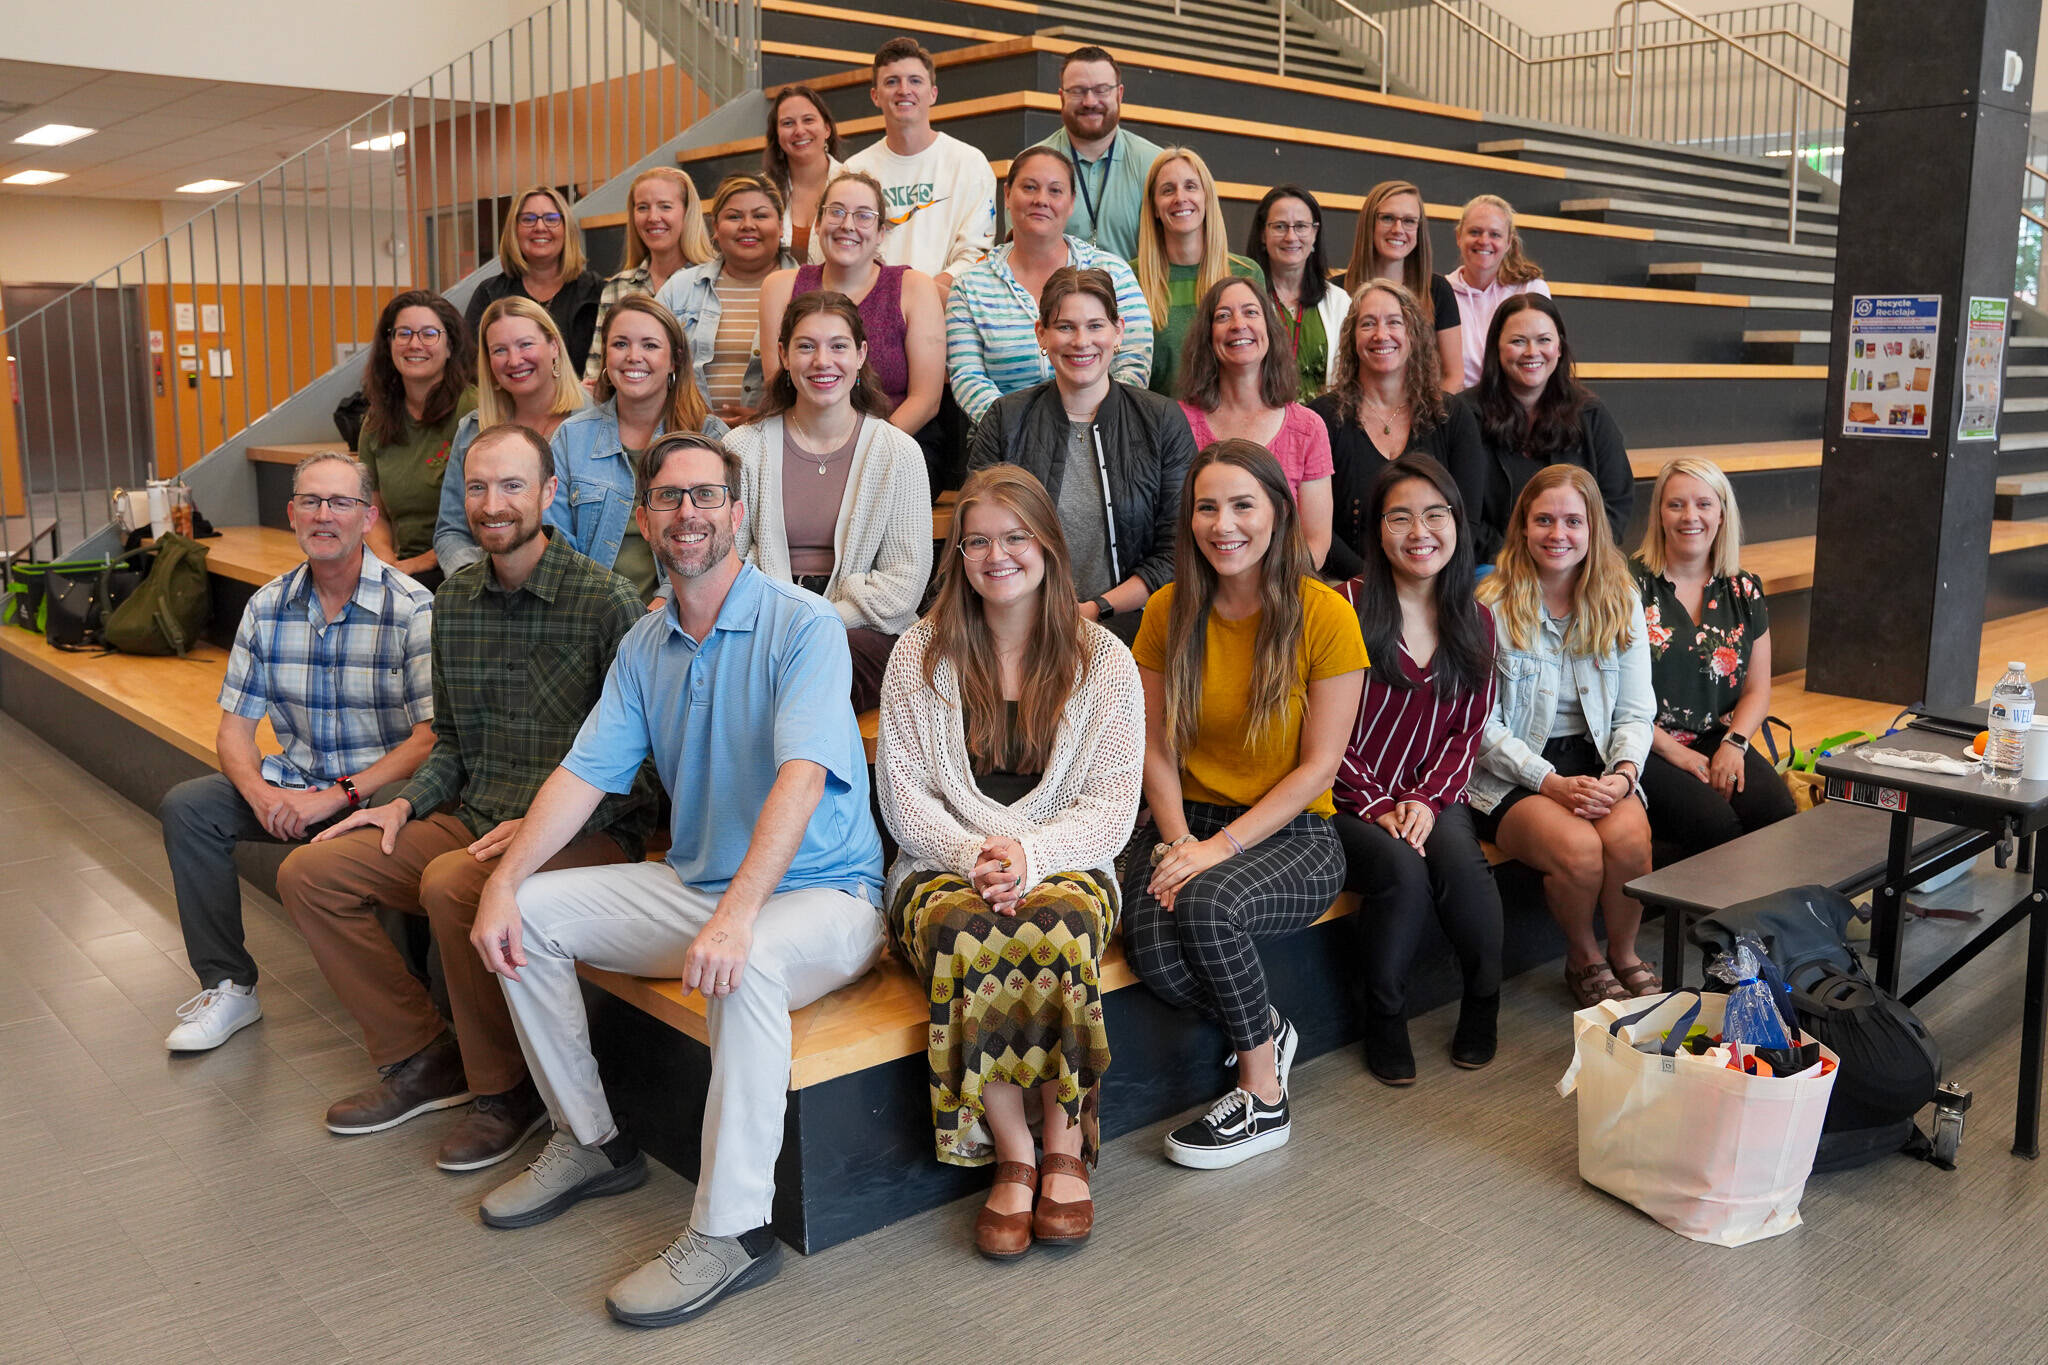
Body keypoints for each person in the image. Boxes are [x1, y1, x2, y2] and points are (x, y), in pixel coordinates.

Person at [469, 430, 886, 1328]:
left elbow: (802, 776)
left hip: (825, 897)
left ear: (737, 515)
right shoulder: (645, 642)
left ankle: (732, 1233)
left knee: (751, 963)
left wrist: (737, 917)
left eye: (705, 497)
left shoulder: (801, 624)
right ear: (645, 516)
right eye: (669, 498)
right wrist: (504, 879)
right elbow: (582, 777)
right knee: (528, 913)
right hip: (699, 887)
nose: (688, 514)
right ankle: (590, 1138)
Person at [274, 425, 654, 1170]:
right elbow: (448, 741)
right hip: (475, 815)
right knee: (312, 874)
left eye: (512, 485)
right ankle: (424, 1055)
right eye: (478, 487)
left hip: (589, 830)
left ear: (548, 495)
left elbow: (644, 768)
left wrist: (538, 826)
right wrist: (404, 803)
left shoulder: (605, 602)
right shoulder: (455, 603)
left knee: (452, 886)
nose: (493, 502)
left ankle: (505, 1090)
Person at [874, 464, 1144, 1259]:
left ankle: (1063, 1140)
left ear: (1049, 547)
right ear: (956, 553)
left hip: (1072, 859)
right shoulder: (918, 654)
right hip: (938, 864)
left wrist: (1030, 855)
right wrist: (976, 856)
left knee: (1059, 927)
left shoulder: (1104, 660)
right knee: (967, 934)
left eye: (1015, 537)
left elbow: (1111, 805)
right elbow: (904, 797)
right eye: (977, 540)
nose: (997, 555)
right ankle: (1014, 1155)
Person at [1124, 440, 1366, 1169]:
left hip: (1293, 829)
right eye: (1206, 506)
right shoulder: (1169, 610)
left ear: (1277, 515)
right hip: (1184, 818)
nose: (1222, 523)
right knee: (1152, 946)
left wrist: (1214, 852)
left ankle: (1263, 1095)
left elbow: (1319, 765)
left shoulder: (1325, 615)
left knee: (1206, 905)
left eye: (1242, 505)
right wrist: (1176, 844)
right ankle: (1265, 1026)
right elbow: (1155, 748)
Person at [157, 453, 434, 1052]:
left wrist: (337, 797)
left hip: (376, 794)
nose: (324, 515)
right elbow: (234, 733)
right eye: (311, 501)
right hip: (294, 785)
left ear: (369, 516)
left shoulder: (411, 609)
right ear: (291, 514)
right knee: (189, 807)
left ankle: (410, 1008)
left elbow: (429, 739)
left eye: (340, 503)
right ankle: (228, 985)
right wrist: (261, 793)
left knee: (382, 827)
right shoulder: (267, 606)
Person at [1332, 454, 1501, 1085]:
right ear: (1376, 531)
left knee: (1463, 864)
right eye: (1399, 517)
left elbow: (1468, 732)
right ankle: (1386, 1017)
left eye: (1435, 514)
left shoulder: (1478, 619)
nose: (1419, 531)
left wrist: (1427, 801)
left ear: (1457, 523)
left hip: (1431, 795)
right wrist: (1378, 803)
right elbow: (1320, 732)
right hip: (1345, 798)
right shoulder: (1341, 608)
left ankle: (1484, 1001)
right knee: (1401, 870)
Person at [1471, 464, 1657, 1008]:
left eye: (1573, 521)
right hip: (1510, 767)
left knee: (1627, 840)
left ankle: (1624, 953)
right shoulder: (1491, 603)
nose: (1559, 534)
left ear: (1593, 528)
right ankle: (1584, 957)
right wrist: (1548, 782)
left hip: (1597, 759)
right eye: (1544, 520)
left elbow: (1636, 710)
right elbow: (1480, 726)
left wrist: (1623, 777)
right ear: (1523, 529)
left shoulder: (1619, 598)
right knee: (1579, 851)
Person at [967, 266, 1196, 645]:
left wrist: (1093, 610)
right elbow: (979, 536)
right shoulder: (1006, 418)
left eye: (1095, 326)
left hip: (1134, 622)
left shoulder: (1162, 419)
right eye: (1065, 327)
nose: (1081, 341)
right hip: (1020, 618)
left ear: (1118, 331)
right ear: (1042, 334)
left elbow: (1176, 550)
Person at [728, 291, 933, 710]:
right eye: (806, 346)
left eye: (838, 346)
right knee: (746, 659)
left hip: (862, 633)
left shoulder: (898, 452)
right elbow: (728, 561)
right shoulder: (742, 448)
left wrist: (819, 620)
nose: (823, 361)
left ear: (860, 355)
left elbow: (903, 583)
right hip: (763, 625)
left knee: (823, 660)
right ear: (784, 355)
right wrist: (782, 619)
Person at [1632, 458, 1795, 855]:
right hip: (1645, 744)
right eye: (1676, 505)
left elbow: (1757, 689)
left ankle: (1756, 917)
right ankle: (1705, 917)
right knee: (1716, 826)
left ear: (1722, 513)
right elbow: (1612, 701)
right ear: (1659, 514)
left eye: (1704, 504)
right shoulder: (1626, 586)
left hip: (1717, 738)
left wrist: (1734, 744)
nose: (1691, 516)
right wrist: (1680, 755)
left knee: (1777, 811)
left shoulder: (1744, 589)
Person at [945, 146, 1152, 424]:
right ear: (1007, 194)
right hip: (1005, 444)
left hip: (1106, 431)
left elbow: (1134, 361)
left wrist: (1089, 424)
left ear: (1071, 202)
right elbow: (968, 377)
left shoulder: (1114, 273)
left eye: (1055, 191)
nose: (1041, 200)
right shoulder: (969, 287)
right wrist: (1020, 430)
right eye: (1029, 187)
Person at [551, 295, 730, 601]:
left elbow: (726, 540)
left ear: (674, 359)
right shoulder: (572, 437)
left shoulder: (710, 436)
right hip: (589, 611)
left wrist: (665, 600)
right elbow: (554, 541)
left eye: (649, 345)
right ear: (605, 354)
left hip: (686, 610)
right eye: (620, 344)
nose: (634, 356)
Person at [1312, 281, 1486, 580]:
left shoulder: (1454, 417)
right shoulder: (1321, 419)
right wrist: (1374, 586)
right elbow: (1316, 530)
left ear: (1414, 335)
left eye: (1395, 322)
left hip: (1435, 583)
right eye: (1368, 324)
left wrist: (1423, 584)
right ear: (1351, 338)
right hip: (1348, 588)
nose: (1382, 335)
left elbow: (1466, 522)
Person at [759, 168, 944, 445]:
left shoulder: (914, 287)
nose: (848, 225)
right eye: (836, 212)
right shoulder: (779, 287)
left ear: (881, 232)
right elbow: (778, 389)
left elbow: (926, 400)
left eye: (864, 216)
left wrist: (860, 451)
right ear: (818, 224)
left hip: (895, 440)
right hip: (802, 440)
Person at [1176, 275, 1333, 567]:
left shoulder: (1309, 427)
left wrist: (1257, 593)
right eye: (1223, 316)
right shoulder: (1176, 423)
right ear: (1207, 336)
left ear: (1270, 330)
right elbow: (1171, 535)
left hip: (1281, 596)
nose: (1238, 324)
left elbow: (1316, 543)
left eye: (1251, 312)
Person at [1465, 293, 1632, 566]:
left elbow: (1617, 502)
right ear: (1497, 348)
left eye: (1544, 340)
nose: (1532, 352)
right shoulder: (1466, 415)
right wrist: (1515, 558)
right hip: (1495, 564)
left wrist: (1573, 557)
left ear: (1560, 348)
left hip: (1577, 562)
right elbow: (1460, 513)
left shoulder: (1590, 414)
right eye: (1518, 341)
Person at [434, 296, 587, 576]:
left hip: (580, 595)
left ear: (553, 345)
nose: (514, 360)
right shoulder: (473, 430)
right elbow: (451, 531)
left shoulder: (596, 422)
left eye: (525, 344)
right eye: (500, 350)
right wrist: (476, 584)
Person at [844, 36, 997, 292]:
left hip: (945, 311)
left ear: (933, 93)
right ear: (875, 96)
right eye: (892, 82)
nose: (904, 90)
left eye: (915, 81)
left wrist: (921, 296)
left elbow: (975, 254)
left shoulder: (970, 164)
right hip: (869, 308)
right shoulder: (853, 170)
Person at [655, 173, 799, 426]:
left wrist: (770, 418)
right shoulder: (679, 289)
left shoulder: (808, 288)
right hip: (691, 438)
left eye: (761, 215)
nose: (747, 225)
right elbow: (652, 364)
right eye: (734, 216)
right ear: (716, 229)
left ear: (780, 226)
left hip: (780, 437)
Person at [357, 289, 476, 588]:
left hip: (464, 566)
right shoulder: (376, 420)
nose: (414, 344)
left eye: (429, 334)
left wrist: (418, 564)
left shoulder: (473, 411)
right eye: (404, 333)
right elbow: (373, 511)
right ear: (389, 344)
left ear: (450, 346)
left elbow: (486, 514)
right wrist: (386, 561)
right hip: (403, 567)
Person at [1134, 146, 1265, 398]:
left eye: (1191, 186)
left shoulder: (1246, 274)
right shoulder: (1128, 278)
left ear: (1207, 198)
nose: (1180, 197)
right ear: (1153, 208)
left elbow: (1264, 366)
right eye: (1167, 190)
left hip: (1230, 428)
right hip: (1156, 430)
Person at [581, 168, 715, 383]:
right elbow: (597, 374)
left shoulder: (712, 282)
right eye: (642, 207)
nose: (653, 217)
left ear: (686, 212)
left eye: (665, 206)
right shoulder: (617, 288)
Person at [1032, 45, 1165, 259]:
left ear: (1119, 94)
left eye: (1101, 90)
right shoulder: (1032, 167)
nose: (1090, 102)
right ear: (1061, 97)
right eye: (1077, 91)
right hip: (1052, 292)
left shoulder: (1156, 165)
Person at [464, 186, 605, 378]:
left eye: (551, 219)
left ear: (567, 229)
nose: (540, 227)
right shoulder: (489, 294)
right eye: (528, 219)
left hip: (581, 405)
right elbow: (472, 365)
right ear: (514, 231)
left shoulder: (596, 292)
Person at [1343, 179, 1462, 393]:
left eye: (1409, 221)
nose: (1398, 229)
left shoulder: (1438, 290)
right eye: (1387, 218)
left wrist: (1429, 420)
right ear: (1369, 223)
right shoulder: (1337, 292)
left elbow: (1453, 376)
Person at [1244, 185, 1349, 402]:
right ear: (1263, 234)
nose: (1291, 237)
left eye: (1301, 226)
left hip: (1325, 426)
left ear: (1315, 233)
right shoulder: (1245, 299)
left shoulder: (1339, 302)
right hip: (1259, 425)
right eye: (1280, 226)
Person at [1442, 193, 1550, 389]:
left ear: (1508, 242)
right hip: (1461, 407)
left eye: (1495, 234)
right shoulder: (1442, 291)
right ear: (1459, 237)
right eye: (1475, 232)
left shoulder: (1530, 289)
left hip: (1517, 405)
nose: (1484, 241)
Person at [761, 85, 844, 259]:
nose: (799, 131)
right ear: (777, 135)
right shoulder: (761, 192)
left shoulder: (853, 183)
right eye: (788, 123)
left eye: (808, 120)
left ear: (827, 129)